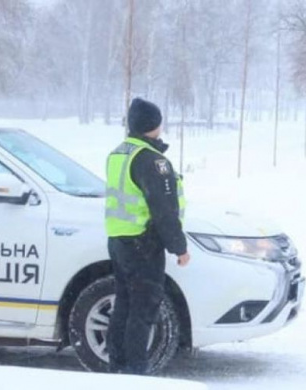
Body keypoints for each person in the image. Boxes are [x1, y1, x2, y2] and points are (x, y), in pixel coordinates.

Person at [105, 97, 190, 375]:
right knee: (143, 311)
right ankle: (135, 372)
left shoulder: (120, 153)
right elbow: (163, 209)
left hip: (119, 240)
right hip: (143, 242)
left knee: (124, 305)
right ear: (154, 125)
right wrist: (179, 248)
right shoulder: (152, 161)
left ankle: (116, 365)